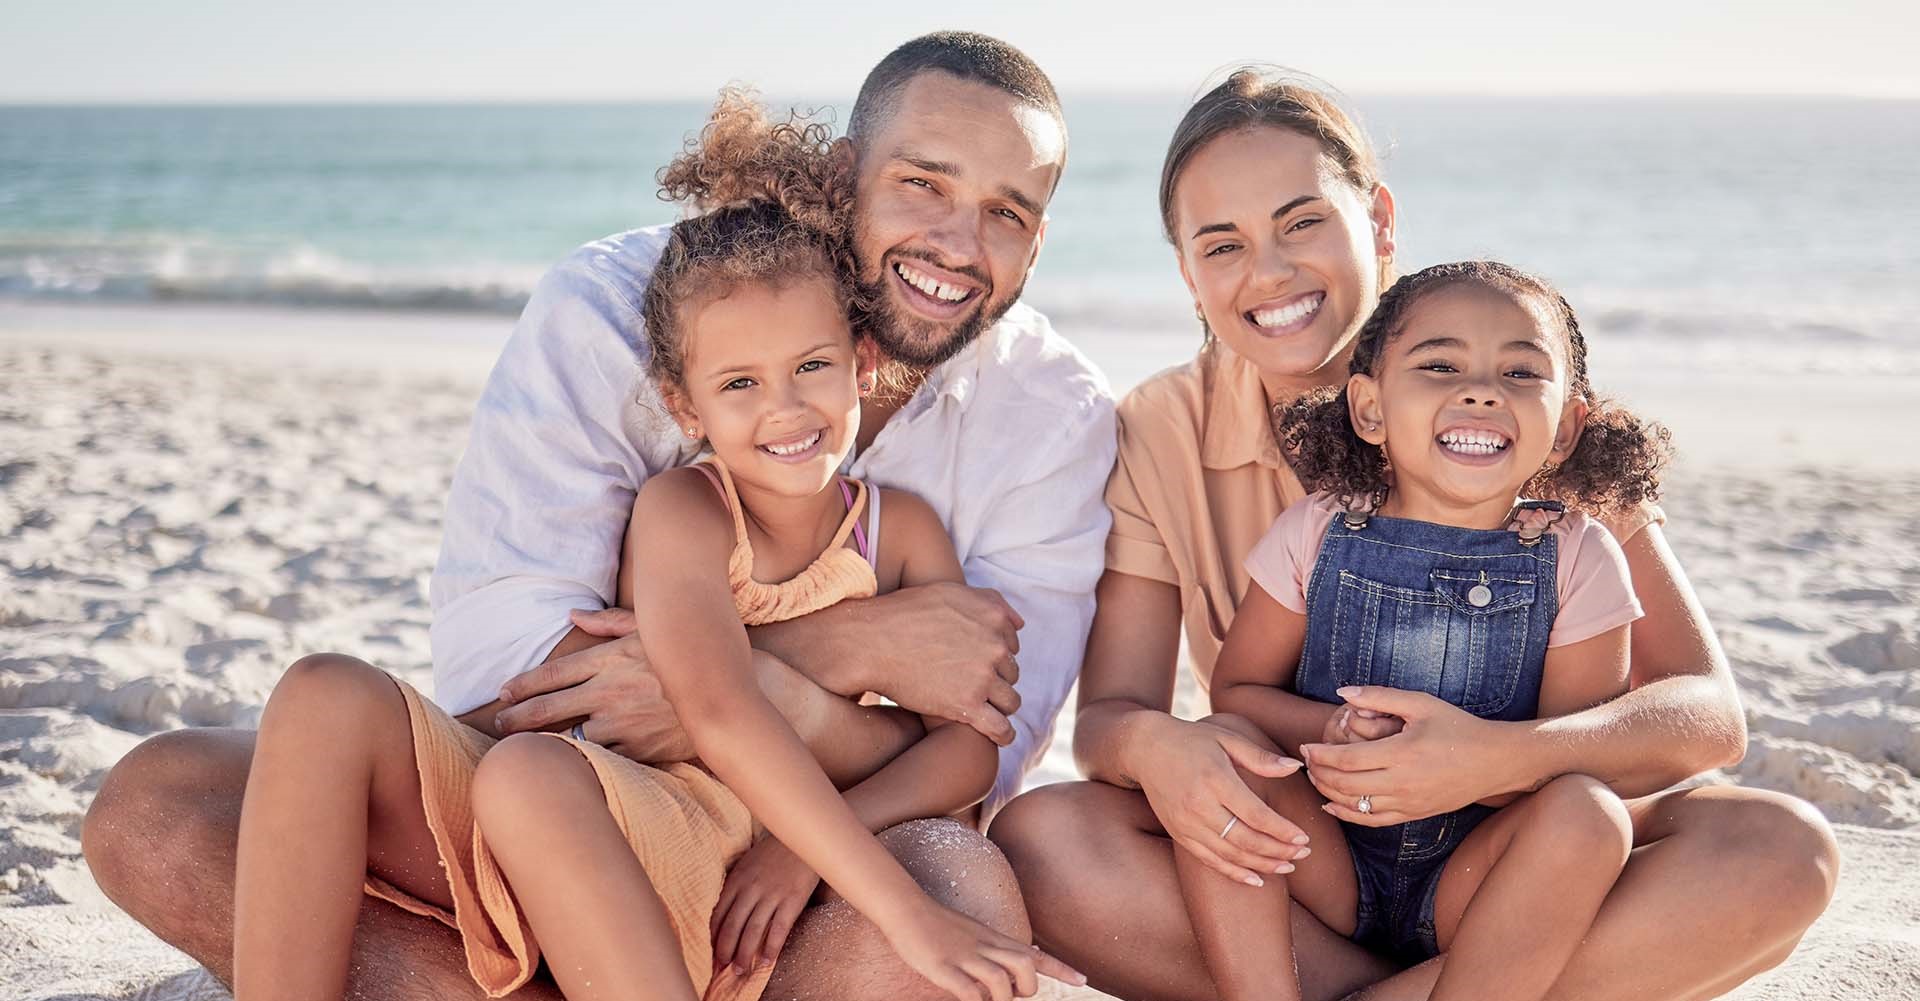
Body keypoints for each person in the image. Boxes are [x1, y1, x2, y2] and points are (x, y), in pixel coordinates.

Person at [84, 32, 1115, 1001]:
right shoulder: (630, 323)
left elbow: (982, 756)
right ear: (847, 174)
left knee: (954, 881)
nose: (955, 240)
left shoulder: (1044, 424)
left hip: (796, 871)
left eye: (1005, 211)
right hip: (567, 813)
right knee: (176, 797)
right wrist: (833, 655)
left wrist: (760, 720)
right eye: (923, 183)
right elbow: (525, 681)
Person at [990, 67, 1838, 1001]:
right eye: (1221, 243)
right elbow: (1112, 716)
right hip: (1306, 877)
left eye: (1303, 221)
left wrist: (1501, 757)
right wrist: (1170, 750)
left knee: (1782, 852)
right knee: (1044, 843)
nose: (1269, 271)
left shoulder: (1507, 389)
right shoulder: (1161, 427)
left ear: (1379, 221)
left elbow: (1709, 719)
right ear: (1188, 272)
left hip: (1517, 877)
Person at [1179, 260, 1672, 1001]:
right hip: (1325, 859)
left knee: (1587, 812)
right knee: (1219, 753)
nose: (1481, 390)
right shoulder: (1316, 531)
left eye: (1520, 371)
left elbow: (1569, 756)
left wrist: (1469, 763)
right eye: (1440, 364)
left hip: (1474, 880)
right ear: (1370, 408)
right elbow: (1239, 691)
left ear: (1567, 426)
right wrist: (1334, 726)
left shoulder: (1578, 554)